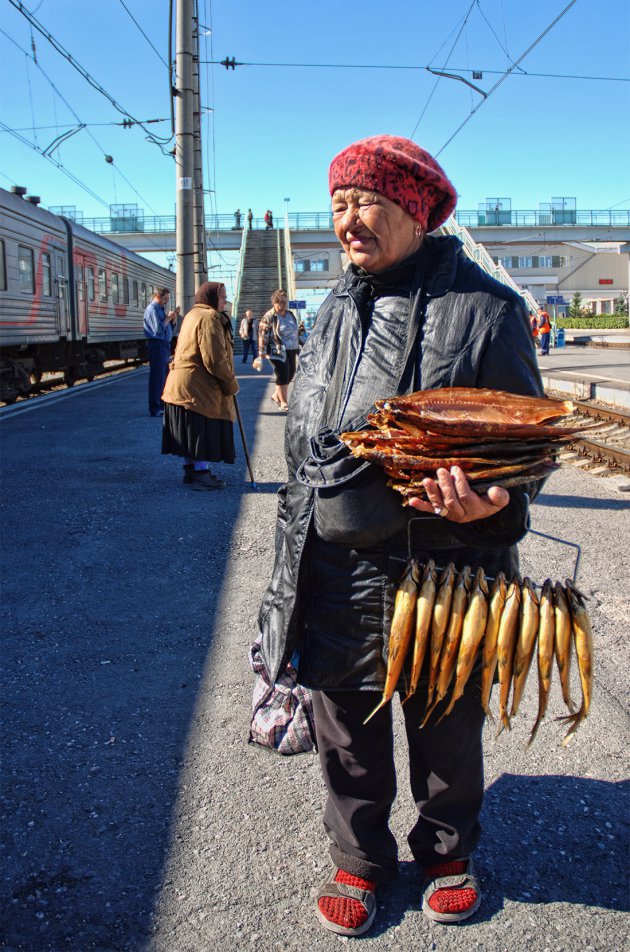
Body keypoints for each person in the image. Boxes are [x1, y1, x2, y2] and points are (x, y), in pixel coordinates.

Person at [256, 135, 545, 937]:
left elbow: (530, 447)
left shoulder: (488, 309)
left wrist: (496, 504)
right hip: (337, 563)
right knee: (344, 727)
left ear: (414, 209)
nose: (348, 221)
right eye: (339, 203)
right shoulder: (331, 308)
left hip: (443, 567)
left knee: (445, 718)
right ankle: (360, 860)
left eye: (365, 202)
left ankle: (449, 853)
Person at [161, 282, 238, 491]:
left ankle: (190, 471)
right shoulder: (209, 317)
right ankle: (201, 474)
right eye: (222, 296)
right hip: (197, 387)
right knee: (201, 430)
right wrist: (230, 383)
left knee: (190, 430)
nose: (225, 300)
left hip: (180, 386)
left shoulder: (192, 314)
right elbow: (214, 359)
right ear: (211, 298)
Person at [258, 290, 299, 411]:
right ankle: (283, 402)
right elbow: (262, 334)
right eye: (281, 301)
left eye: (285, 301)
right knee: (283, 374)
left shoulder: (290, 314)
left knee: (291, 374)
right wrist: (262, 351)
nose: (284, 304)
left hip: (292, 348)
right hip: (277, 350)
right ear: (274, 302)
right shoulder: (269, 316)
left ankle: (276, 396)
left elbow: (296, 331)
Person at [143, 287, 178, 417]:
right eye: (165, 299)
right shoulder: (152, 309)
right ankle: (155, 407)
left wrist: (172, 319)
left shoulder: (160, 309)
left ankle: (162, 404)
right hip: (157, 345)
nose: (166, 302)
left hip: (163, 346)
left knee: (164, 377)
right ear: (158, 296)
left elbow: (166, 327)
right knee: (157, 377)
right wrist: (168, 318)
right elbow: (157, 329)